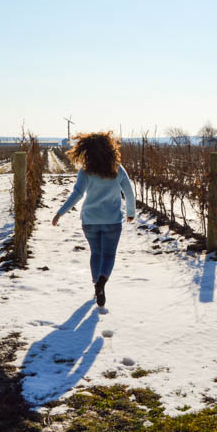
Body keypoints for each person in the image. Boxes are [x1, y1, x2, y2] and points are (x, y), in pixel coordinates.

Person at [52, 132, 135, 307]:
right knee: (109, 255)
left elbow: (77, 194)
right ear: (110, 149)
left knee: (96, 253)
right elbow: (128, 192)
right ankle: (102, 281)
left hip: (90, 221)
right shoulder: (117, 169)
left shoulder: (85, 171)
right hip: (112, 220)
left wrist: (60, 213)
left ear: (87, 151)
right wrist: (130, 212)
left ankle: (96, 285)